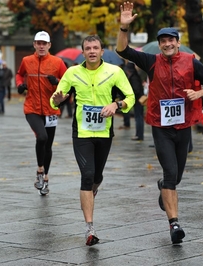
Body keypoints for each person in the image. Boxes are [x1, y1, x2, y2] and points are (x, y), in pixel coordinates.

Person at [116, 2, 203, 245]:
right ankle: (175, 224)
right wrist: (123, 27)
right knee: (171, 173)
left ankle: (164, 187)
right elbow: (123, 51)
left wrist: (198, 94)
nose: (168, 44)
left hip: (183, 127)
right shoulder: (151, 61)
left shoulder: (192, 62)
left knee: (175, 177)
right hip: (160, 126)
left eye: (172, 40)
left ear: (178, 43)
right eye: (164, 41)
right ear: (159, 45)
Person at [50, 35, 135, 246]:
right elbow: (54, 100)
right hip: (82, 133)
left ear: (102, 51)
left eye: (95, 47)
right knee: (87, 176)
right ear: (83, 52)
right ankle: (90, 228)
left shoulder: (115, 72)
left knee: (97, 175)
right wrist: (57, 100)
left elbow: (131, 97)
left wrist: (116, 105)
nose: (92, 51)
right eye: (87, 48)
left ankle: (94, 185)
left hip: (104, 132)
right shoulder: (72, 73)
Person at [16, 31, 67, 195]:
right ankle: (39, 169)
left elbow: (68, 83)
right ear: (34, 45)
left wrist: (58, 82)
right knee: (42, 137)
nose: (41, 46)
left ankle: (45, 178)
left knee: (48, 145)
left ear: (49, 45)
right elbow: (19, 74)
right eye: (38, 43)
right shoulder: (26, 61)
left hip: (51, 108)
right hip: (32, 107)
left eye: (44, 43)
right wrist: (19, 84)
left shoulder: (57, 62)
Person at [124, 61, 144, 140]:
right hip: (137, 99)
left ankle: (139, 135)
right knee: (138, 117)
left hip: (138, 100)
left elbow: (136, 90)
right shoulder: (134, 75)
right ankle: (138, 134)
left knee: (139, 117)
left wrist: (131, 95)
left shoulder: (133, 77)